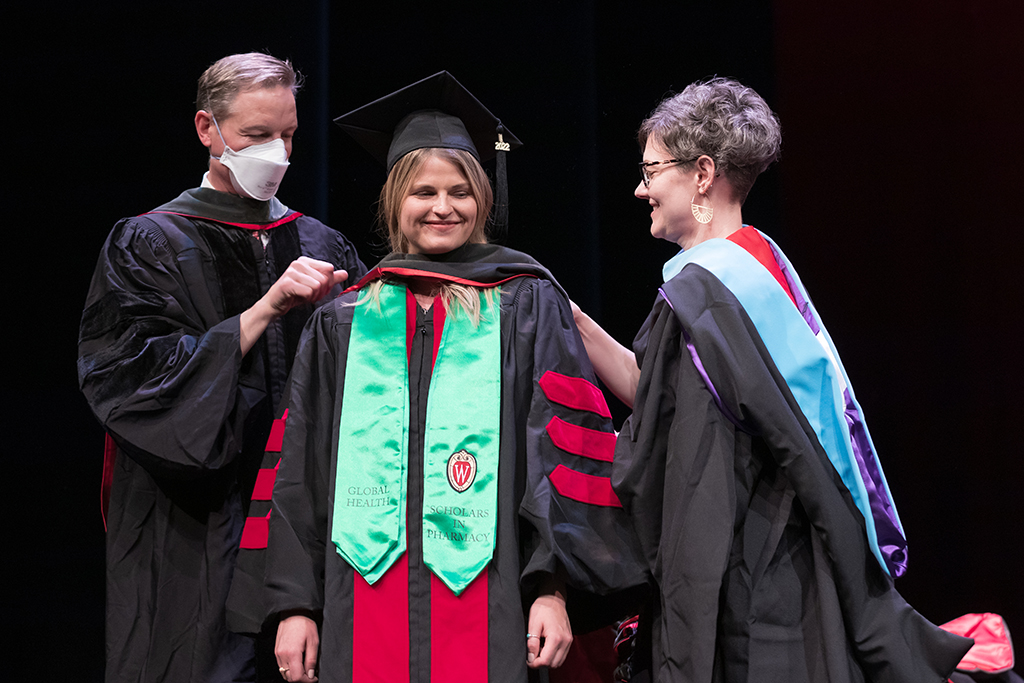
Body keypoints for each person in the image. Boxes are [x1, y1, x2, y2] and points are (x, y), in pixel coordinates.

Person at [238, 72, 645, 683]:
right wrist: (296, 604)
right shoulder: (343, 324)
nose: (442, 207)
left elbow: (557, 459)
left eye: (459, 191)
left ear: (483, 198)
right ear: (394, 201)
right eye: (423, 191)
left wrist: (552, 589)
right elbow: (300, 468)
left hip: (497, 599)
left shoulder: (526, 305)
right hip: (359, 599)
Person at [571, 77, 972, 682]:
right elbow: (660, 398)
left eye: (651, 171)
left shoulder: (712, 290)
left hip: (750, 575)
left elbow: (693, 458)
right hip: (786, 562)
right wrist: (567, 318)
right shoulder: (756, 270)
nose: (640, 188)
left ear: (701, 174)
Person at [78, 52, 367, 683]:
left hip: (303, 523)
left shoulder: (321, 243)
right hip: (192, 526)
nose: (278, 154)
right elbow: (128, 379)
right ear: (208, 129)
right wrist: (263, 311)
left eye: (288, 134)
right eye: (257, 136)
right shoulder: (150, 241)